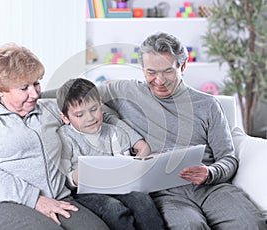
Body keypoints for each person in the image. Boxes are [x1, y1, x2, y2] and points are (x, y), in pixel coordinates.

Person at [97, 32, 267, 229]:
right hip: (166, 193)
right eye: (151, 72)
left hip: (212, 188)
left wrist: (210, 172)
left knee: (249, 224)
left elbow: (228, 159)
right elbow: (75, 96)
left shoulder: (208, 104)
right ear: (143, 70)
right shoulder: (125, 92)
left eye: (168, 71)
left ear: (183, 66)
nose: (159, 80)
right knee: (189, 226)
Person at [0, 44, 109, 230]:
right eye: (23, 88)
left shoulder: (49, 109)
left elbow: (96, 108)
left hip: (57, 198)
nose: (34, 94)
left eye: (36, 83)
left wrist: (133, 139)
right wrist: (34, 199)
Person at [56, 78, 165, 230]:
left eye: (94, 109)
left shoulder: (114, 132)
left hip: (117, 185)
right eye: (80, 115)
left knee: (142, 200)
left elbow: (125, 162)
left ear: (100, 104)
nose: (90, 118)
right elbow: (62, 175)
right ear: (65, 118)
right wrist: (75, 178)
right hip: (86, 192)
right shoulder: (64, 137)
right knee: (113, 208)